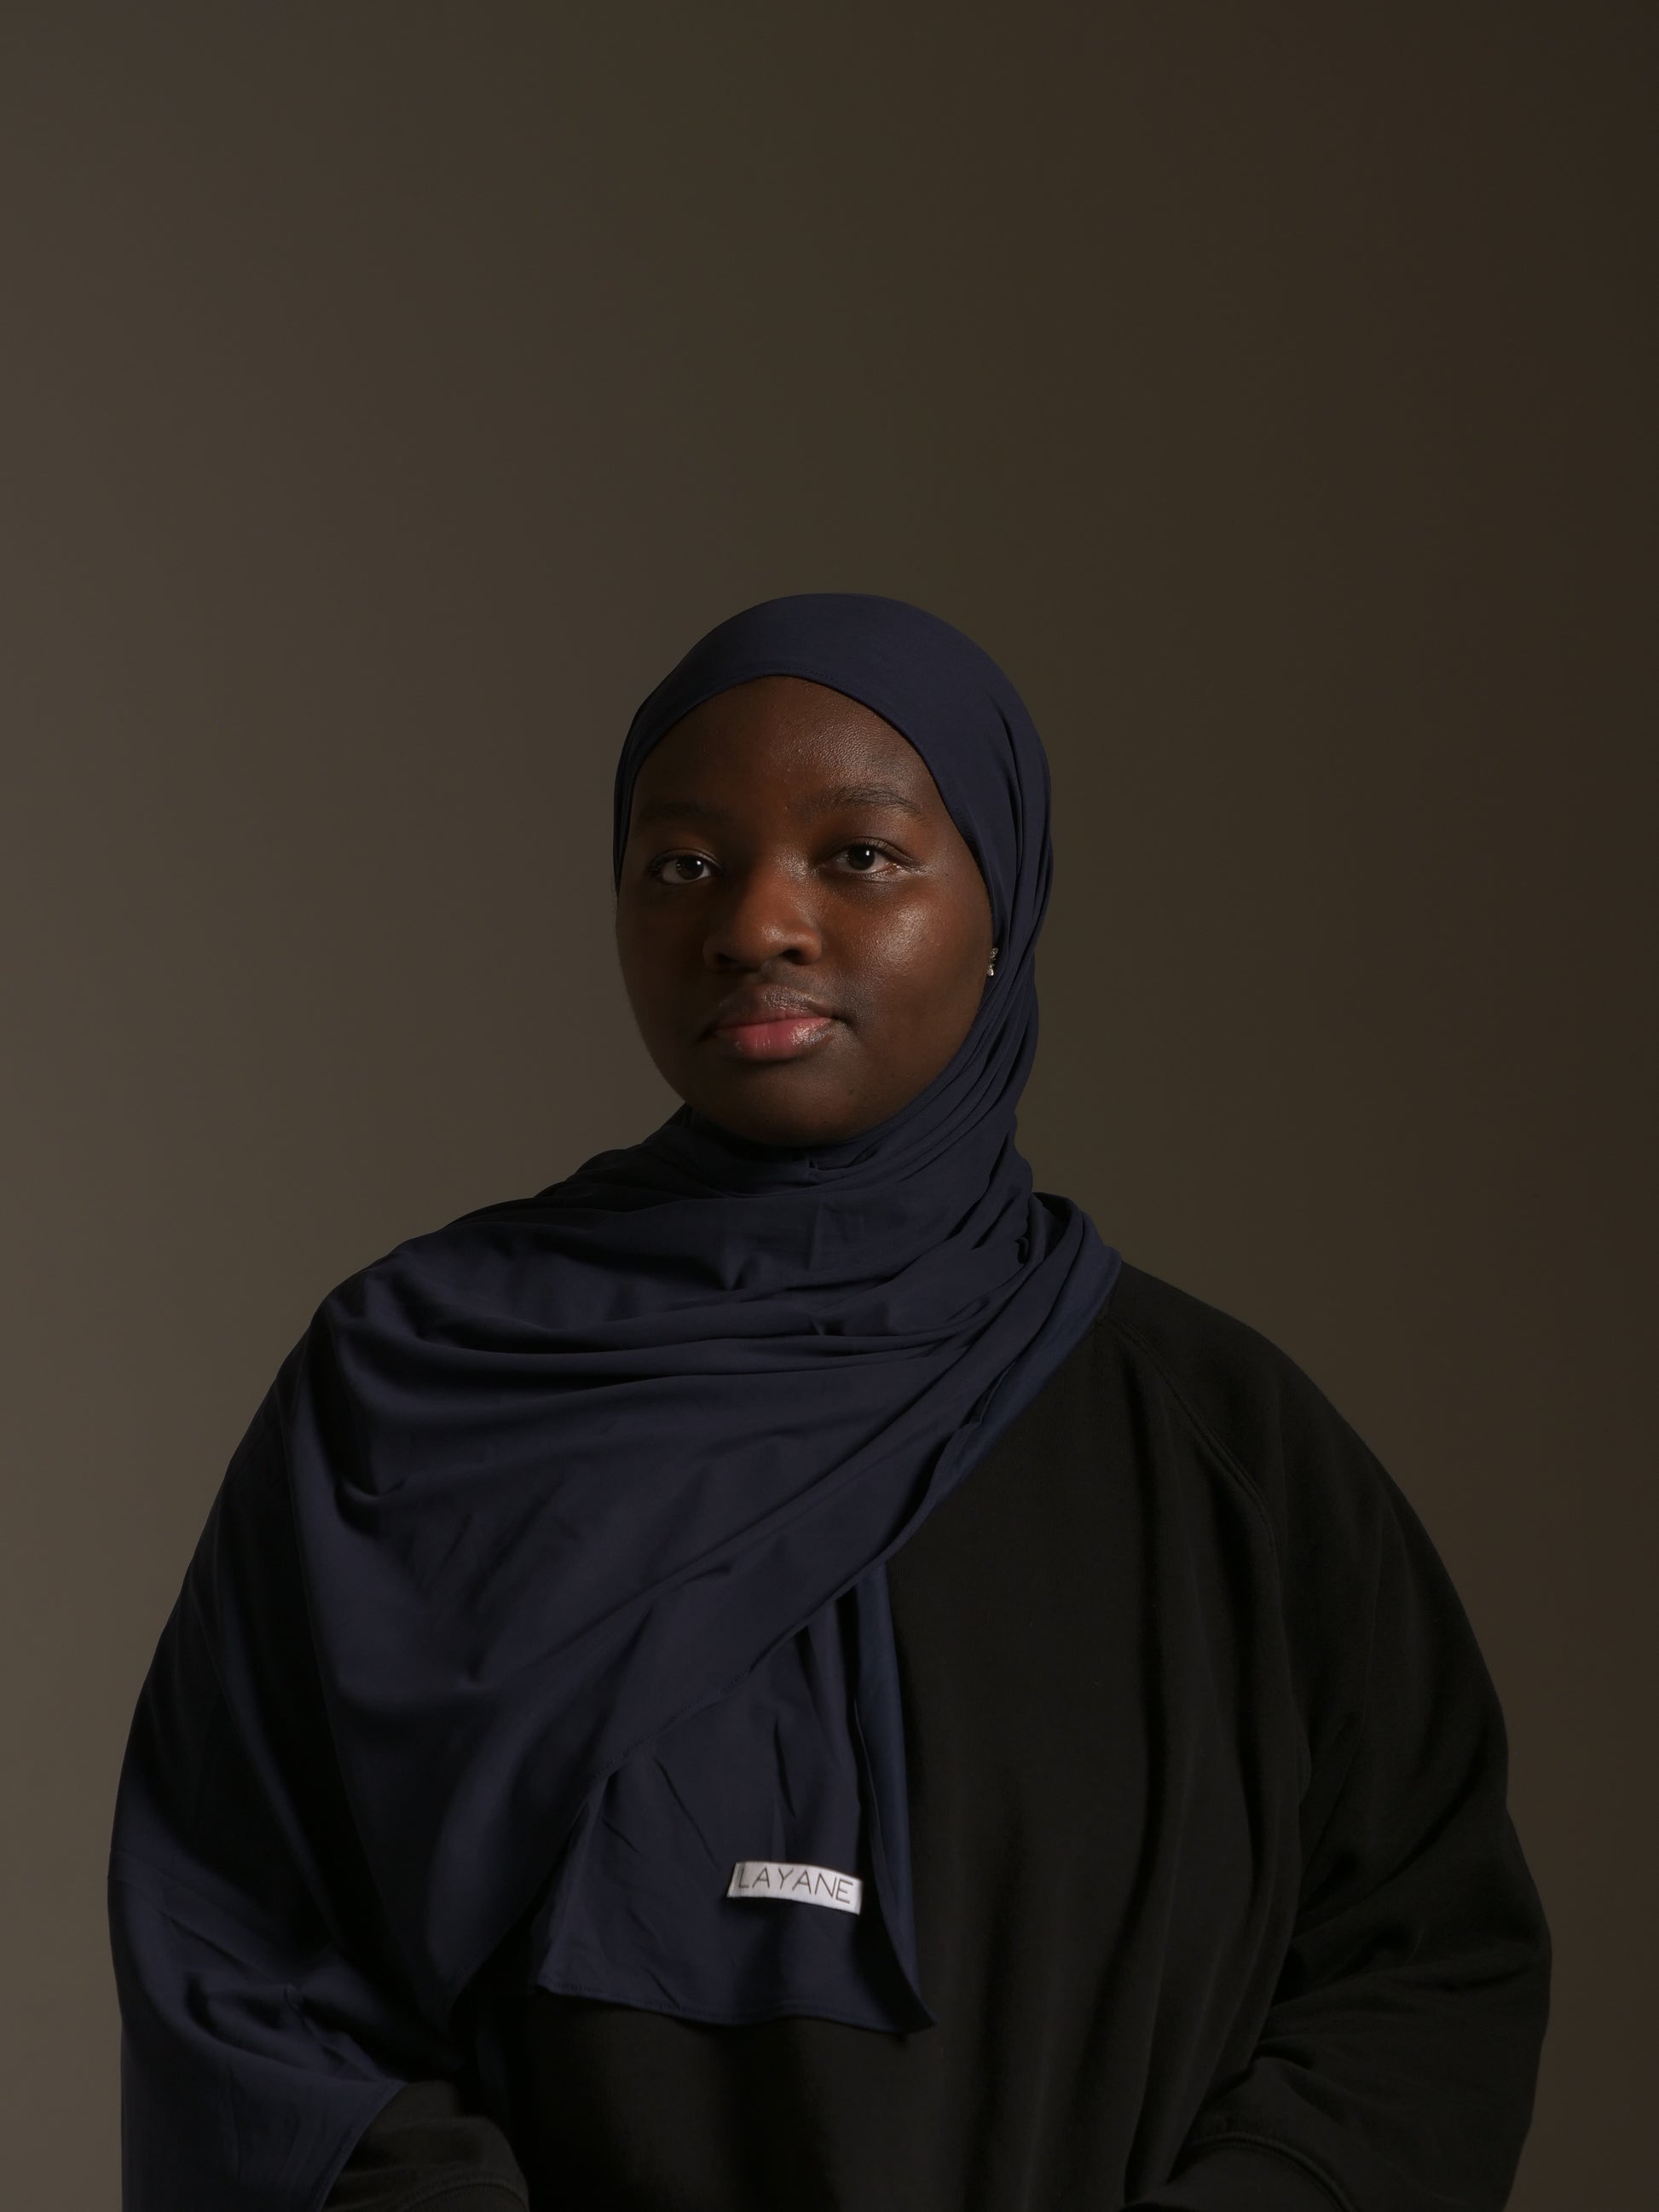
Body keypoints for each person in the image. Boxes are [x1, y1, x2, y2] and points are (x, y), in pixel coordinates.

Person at [108, 595, 1550, 2212]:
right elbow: (240, 1936)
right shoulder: (407, 1388)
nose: (755, 925)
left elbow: (1421, 1962)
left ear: (1002, 902)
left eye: (858, 854)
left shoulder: (1222, 1447)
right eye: (681, 865)